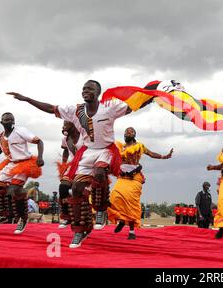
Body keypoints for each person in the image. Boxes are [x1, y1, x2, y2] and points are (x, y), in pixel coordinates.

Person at [7, 80, 131, 248]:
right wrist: (27, 99)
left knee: (100, 172)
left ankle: (101, 209)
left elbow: (134, 104)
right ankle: (81, 229)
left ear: (98, 92)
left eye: (90, 88)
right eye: (84, 88)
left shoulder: (110, 107)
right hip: (87, 152)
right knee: (76, 189)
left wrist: (153, 95)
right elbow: (51, 108)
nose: (85, 91)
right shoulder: (75, 110)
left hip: (106, 150)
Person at [0, 113, 44, 234]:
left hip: (25, 163)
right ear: (2, 122)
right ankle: (2, 215)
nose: (9, 121)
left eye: (11, 119)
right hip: (10, 163)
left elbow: (39, 141)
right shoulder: (1, 136)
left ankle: (22, 218)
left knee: (15, 188)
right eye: (6, 120)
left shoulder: (21, 131)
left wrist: (40, 157)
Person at [108, 127, 173, 239]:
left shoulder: (140, 146)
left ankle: (132, 232)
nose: (128, 133)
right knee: (114, 197)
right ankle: (122, 221)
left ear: (134, 135)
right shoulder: (120, 147)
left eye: (130, 132)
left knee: (132, 203)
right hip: (122, 178)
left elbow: (151, 153)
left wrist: (164, 156)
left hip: (134, 179)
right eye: (126, 132)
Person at [57, 121, 83, 229]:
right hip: (72, 166)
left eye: (66, 124)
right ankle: (66, 216)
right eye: (63, 124)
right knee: (63, 187)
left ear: (73, 125)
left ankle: (85, 217)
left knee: (80, 191)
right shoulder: (65, 139)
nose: (63, 126)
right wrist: (63, 165)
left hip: (85, 165)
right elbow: (66, 151)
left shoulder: (83, 135)